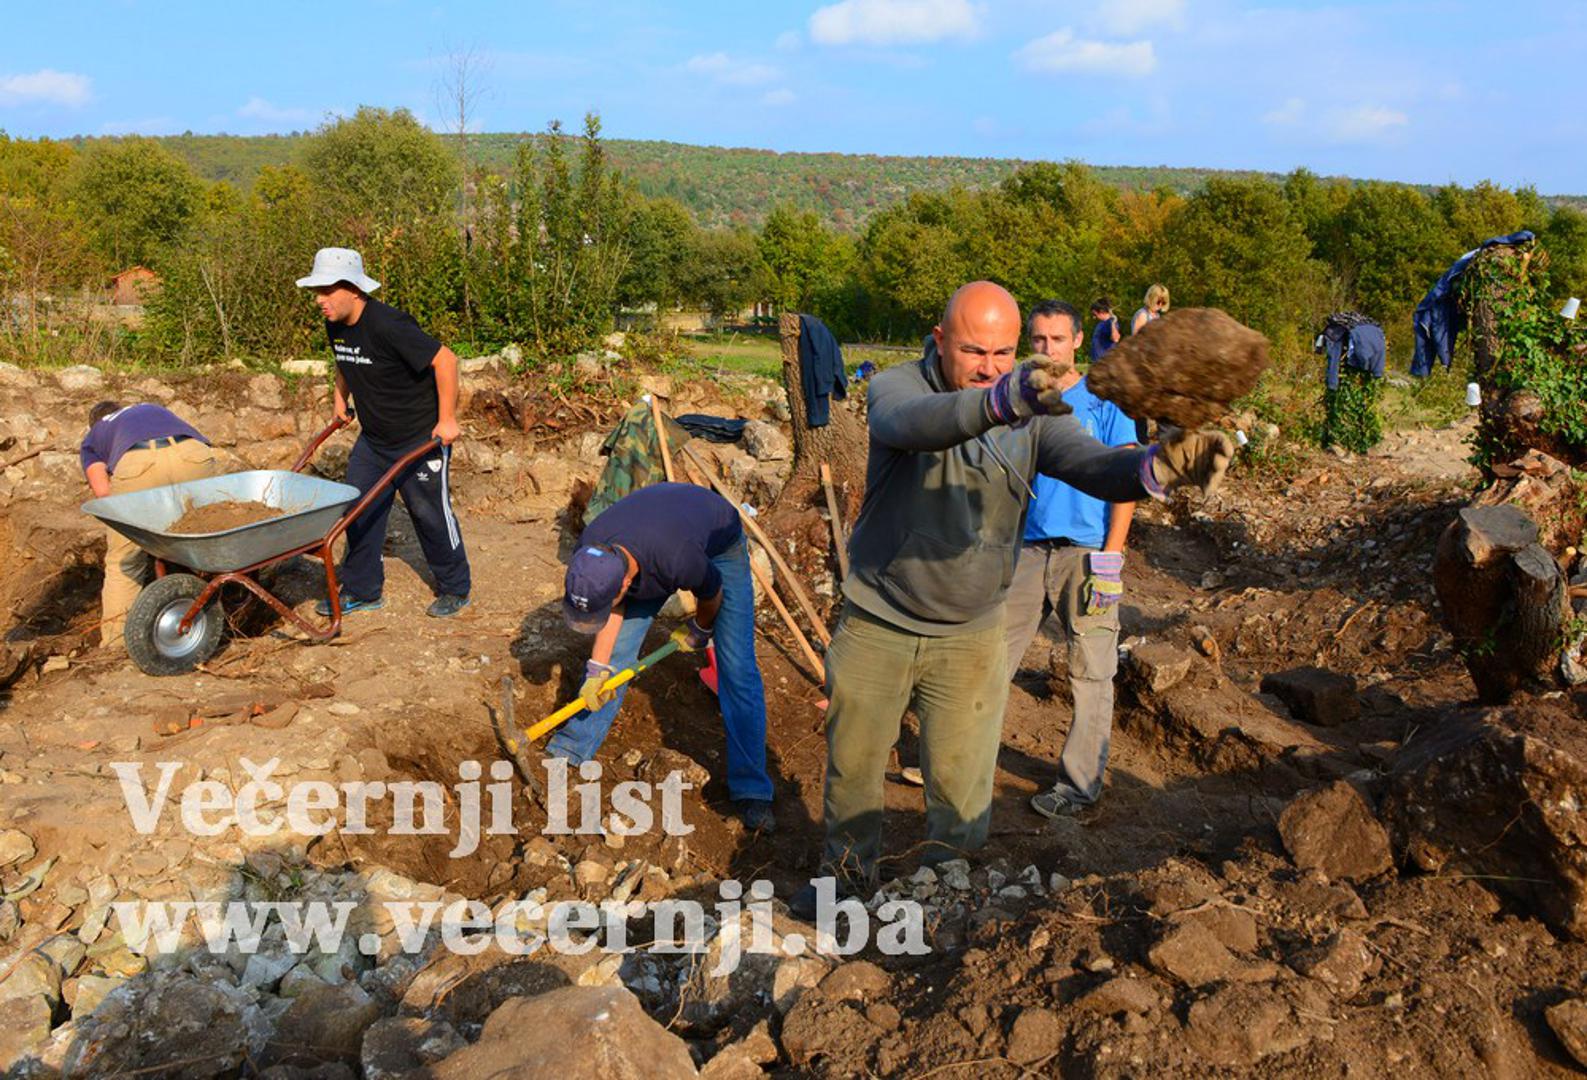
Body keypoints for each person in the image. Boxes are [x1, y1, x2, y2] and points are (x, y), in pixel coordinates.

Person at [791, 281, 1232, 917]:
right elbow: (912, 425)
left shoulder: (1031, 409)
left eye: (1002, 353)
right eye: (974, 351)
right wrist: (1000, 401)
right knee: (854, 771)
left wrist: (1155, 468)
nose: (989, 366)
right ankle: (846, 883)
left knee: (962, 786)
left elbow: (1088, 462)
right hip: (880, 620)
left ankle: (944, 897)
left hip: (972, 632)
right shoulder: (898, 387)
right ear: (940, 340)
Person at [557, 482, 775, 831]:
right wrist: (597, 670)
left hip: (716, 537)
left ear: (625, 584)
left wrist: (700, 629)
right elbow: (612, 611)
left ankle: (752, 790)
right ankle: (571, 749)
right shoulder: (591, 551)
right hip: (657, 533)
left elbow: (712, 592)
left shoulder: (678, 559)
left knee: (736, 666)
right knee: (615, 657)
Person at [1004, 301, 1138, 819]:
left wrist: (1112, 557)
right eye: (1038, 339)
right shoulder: (1021, 397)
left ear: (1078, 340)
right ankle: (956, 760)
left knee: (1091, 670)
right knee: (989, 658)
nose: (1048, 349)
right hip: (1026, 550)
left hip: (1086, 553)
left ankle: (1079, 787)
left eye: (1057, 339)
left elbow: (1126, 479)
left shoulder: (1105, 397)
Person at [296, 247, 471, 618]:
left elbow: (446, 360)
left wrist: (447, 419)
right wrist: (339, 399)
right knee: (359, 510)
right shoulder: (335, 323)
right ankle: (362, 590)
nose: (319, 300)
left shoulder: (389, 324)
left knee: (429, 513)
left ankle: (455, 587)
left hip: (418, 438)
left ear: (353, 289)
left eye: (327, 290)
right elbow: (344, 360)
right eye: (316, 291)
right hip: (374, 440)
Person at [79, 402, 224, 646]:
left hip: (138, 464)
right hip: (193, 455)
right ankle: (229, 612)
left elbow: (104, 493)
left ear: (94, 424)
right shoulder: (147, 408)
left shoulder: (93, 438)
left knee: (124, 561)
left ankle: (115, 643)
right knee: (207, 536)